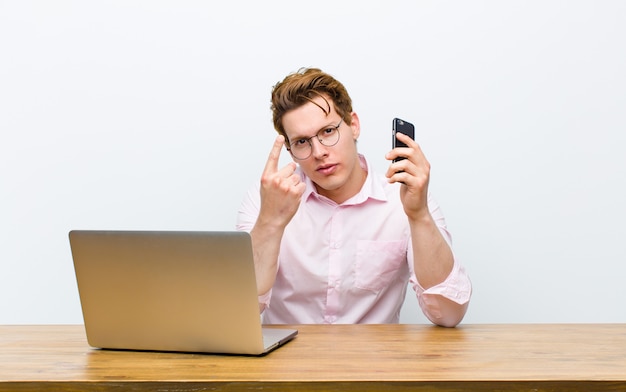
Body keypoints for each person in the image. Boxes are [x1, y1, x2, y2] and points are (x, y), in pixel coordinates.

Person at [237, 68, 471, 327]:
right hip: (285, 364)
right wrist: (270, 222)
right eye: (302, 142)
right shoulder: (265, 201)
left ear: (353, 125)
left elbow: (449, 314)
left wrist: (419, 216)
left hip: (373, 364)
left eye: (328, 131)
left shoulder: (403, 200)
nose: (319, 152)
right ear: (290, 151)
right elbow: (242, 307)